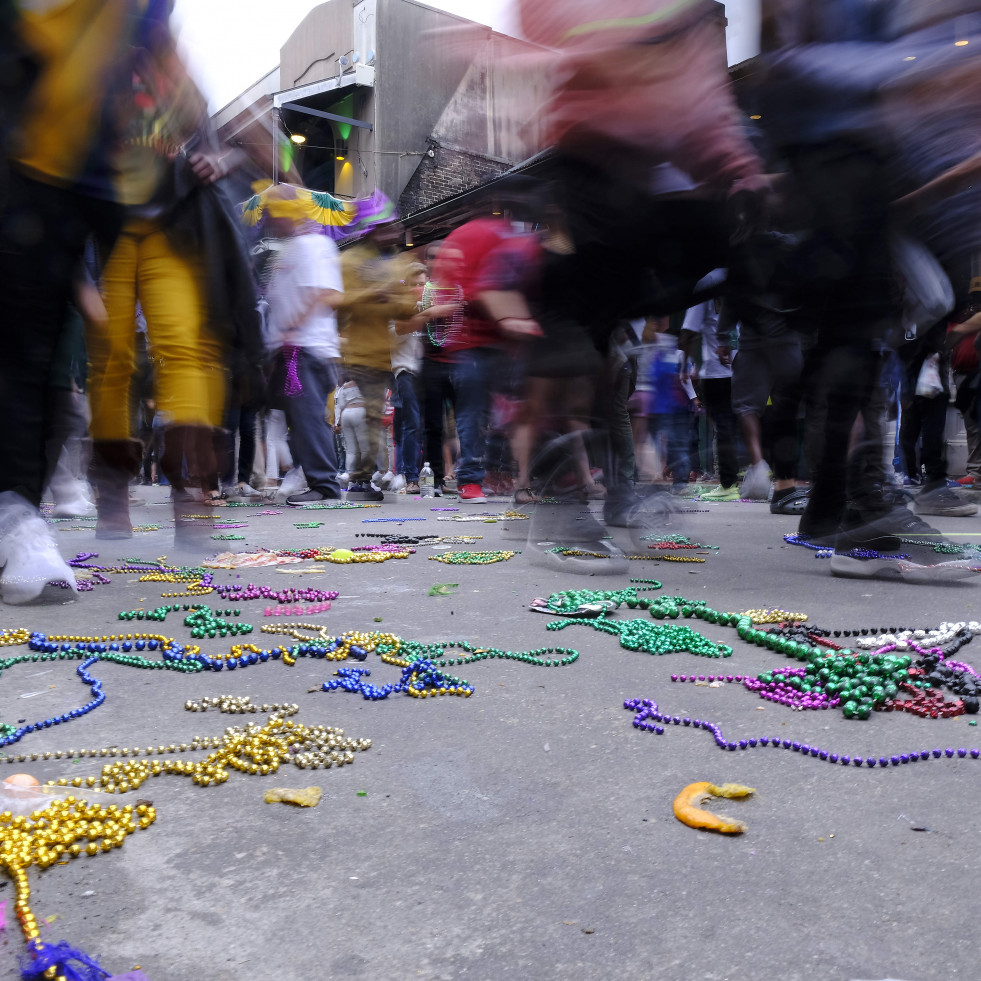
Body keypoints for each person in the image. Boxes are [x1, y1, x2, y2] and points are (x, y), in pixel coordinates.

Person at [262, 188, 345, 505]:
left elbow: (329, 293)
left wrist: (294, 327)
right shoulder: (288, 251)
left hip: (305, 349)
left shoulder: (314, 245)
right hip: (288, 350)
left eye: (274, 210)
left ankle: (325, 487)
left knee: (308, 418)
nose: (269, 217)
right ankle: (310, 475)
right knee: (293, 419)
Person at [338, 221, 417, 500]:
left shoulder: (398, 262)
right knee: (372, 416)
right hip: (361, 352)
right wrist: (374, 294)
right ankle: (360, 479)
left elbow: (405, 310)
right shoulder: (350, 260)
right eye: (386, 229)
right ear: (371, 231)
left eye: (396, 228)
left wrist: (399, 297)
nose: (394, 234)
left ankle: (361, 478)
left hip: (387, 355)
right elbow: (340, 301)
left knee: (376, 418)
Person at [679, 300, 739, 501]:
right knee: (742, 422)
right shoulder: (745, 279)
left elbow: (689, 330)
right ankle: (749, 473)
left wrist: (684, 364)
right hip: (745, 368)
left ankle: (728, 484)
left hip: (718, 372)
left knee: (723, 428)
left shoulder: (708, 285)